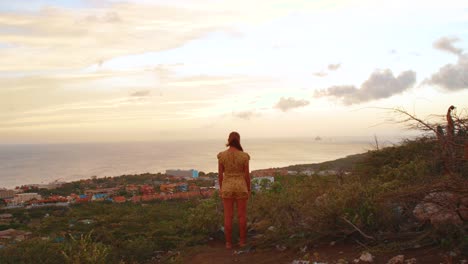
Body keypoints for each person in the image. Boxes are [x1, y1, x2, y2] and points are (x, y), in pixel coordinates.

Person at [217, 131, 251, 249]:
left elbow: (220, 175)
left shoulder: (222, 156)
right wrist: (249, 188)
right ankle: (242, 242)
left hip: (227, 186)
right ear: (239, 140)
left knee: (228, 216)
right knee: (242, 216)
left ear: (229, 140)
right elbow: (247, 175)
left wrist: (222, 189)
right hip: (241, 186)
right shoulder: (244, 156)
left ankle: (228, 243)